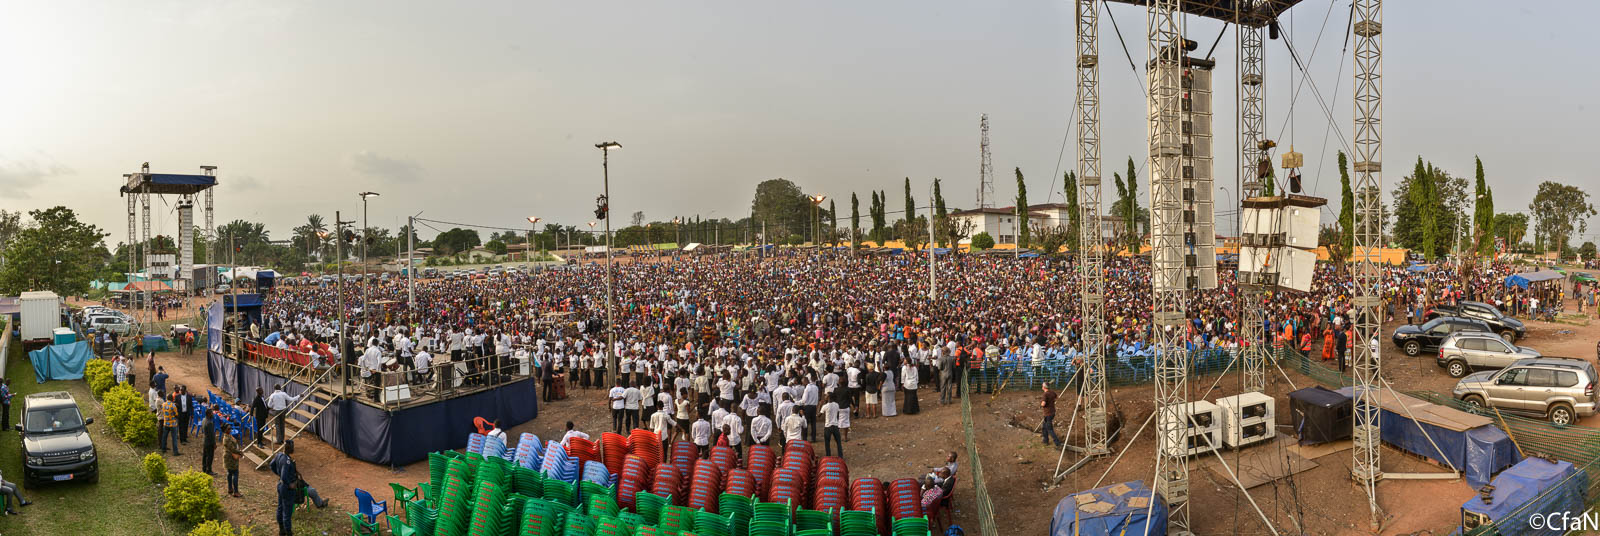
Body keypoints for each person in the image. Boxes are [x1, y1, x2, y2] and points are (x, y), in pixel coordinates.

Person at [270, 440, 327, 536]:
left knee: (280, 508)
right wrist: (289, 484)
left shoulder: (279, 455)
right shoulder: (287, 461)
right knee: (287, 512)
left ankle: (281, 530)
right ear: (289, 448)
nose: (294, 449)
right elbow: (284, 475)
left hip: (280, 485)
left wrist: (279, 474)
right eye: (293, 447)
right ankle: (288, 532)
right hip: (287, 489)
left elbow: (271, 465)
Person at [224, 426, 244, 497]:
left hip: (229, 457)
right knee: (235, 473)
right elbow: (232, 449)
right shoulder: (227, 439)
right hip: (231, 458)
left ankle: (230, 488)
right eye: (229, 429)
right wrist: (240, 452)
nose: (231, 430)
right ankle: (236, 491)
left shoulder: (228, 436)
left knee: (229, 472)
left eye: (230, 428)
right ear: (225, 430)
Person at [821, 392, 843, 457]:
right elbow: (837, 415)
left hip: (828, 426)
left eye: (826, 396)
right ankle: (840, 456)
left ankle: (828, 456)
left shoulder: (825, 406)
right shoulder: (837, 405)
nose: (825, 397)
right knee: (838, 442)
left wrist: (820, 405)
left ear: (828, 397)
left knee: (827, 443)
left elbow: (819, 415)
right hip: (835, 425)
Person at [200, 408, 218, 475]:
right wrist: (214, 443)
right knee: (210, 457)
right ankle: (209, 470)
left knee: (205, 456)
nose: (213, 414)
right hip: (209, 442)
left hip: (205, 440)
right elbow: (211, 435)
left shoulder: (204, 420)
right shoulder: (210, 423)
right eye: (212, 413)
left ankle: (204, 468)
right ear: (209, 414)